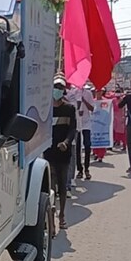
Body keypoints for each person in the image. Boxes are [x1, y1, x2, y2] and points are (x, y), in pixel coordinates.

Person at [44, 78, 76, 229]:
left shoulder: (69, 109)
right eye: (55, 86)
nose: (57, 90)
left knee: (62, 186)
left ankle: (62, 216)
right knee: (50, 188)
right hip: (48, 152)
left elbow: (72, 130)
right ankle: (51, 221)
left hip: (63, 153)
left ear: (63, 91)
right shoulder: (46, 108)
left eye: (59, 87)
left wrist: (66, 142)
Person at [75, 81, 96, 180]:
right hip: (77, 123)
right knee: (77, 147)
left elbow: (92, 108)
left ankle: (87, 169)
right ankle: (80, 169)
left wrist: (84, 100)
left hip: (86, 123)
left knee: (87, 145)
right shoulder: (74, 92)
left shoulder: (88, 93)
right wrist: (78, 103)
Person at [92, 87, 108, 162]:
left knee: (102, 138)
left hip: (102, 123)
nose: (98, 93)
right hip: (94, 122)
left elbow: (106, 111)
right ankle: (95, 152)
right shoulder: (93, 101)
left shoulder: (105, 101)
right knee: (94, 137)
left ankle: (101, 155)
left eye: (99, 91)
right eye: (97, 91)